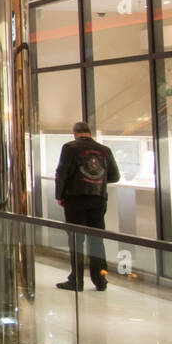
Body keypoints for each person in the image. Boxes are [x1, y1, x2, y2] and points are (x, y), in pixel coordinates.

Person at [55, 121, 120, 291]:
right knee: (97, 240)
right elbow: (115, 176)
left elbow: (62, 172)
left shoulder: (69, 148)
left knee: (76, 240)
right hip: (98, 199)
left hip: (75, 199)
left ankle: (76, 280)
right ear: (89, 133)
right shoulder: (104, 150)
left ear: (75, 133)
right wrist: (98, 180)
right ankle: (100, 280)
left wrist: (59, 195)